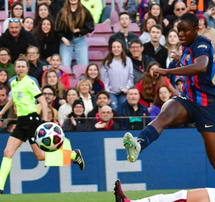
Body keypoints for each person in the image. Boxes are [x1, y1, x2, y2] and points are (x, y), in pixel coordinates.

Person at [124, 13, 215, 185]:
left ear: (196, 30)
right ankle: (138, 144)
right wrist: (179, 59)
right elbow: (191, 61)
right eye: (179, 30)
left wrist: (167, 71)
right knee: (164, 115)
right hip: (188, 100)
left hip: (207, 106)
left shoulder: (202, 43)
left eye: (185, 31)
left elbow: (201, 66)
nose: (181, 34)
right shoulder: (187, 46)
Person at [0, 56, 85, 194]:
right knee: (7, 152)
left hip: (32, 121)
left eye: (23, 67)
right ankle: (0, 186)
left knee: (40, 156)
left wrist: (45, 122)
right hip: (21, 122)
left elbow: (43, 102)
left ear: (27, 69)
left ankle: (74, 155)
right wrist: (3, 111)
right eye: (18, 66)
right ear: (15, 68)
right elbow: (13, 99)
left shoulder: (29, 82)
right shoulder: (14, 83)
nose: (20, 69)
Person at [55, 0, 94, 67]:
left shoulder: (84, 11)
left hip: (80, 39)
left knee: (84, 65)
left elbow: (90, 27)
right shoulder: (62, 12)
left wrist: (80, 30)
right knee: (65, 65)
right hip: (66, 40)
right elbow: (57, 29)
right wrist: (63, 38)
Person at [101, 39, 134, 111]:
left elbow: (130, 76)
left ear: (122, 49)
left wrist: (127, 88)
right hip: (111, 92)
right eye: (114, 47)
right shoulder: (107, 62)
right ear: (111, 49)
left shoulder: (128, 60)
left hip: (123, 92)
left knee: (124, 108)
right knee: (114, 108)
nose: (116, 49)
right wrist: (107, 92)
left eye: (118, 47)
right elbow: (104, 79)